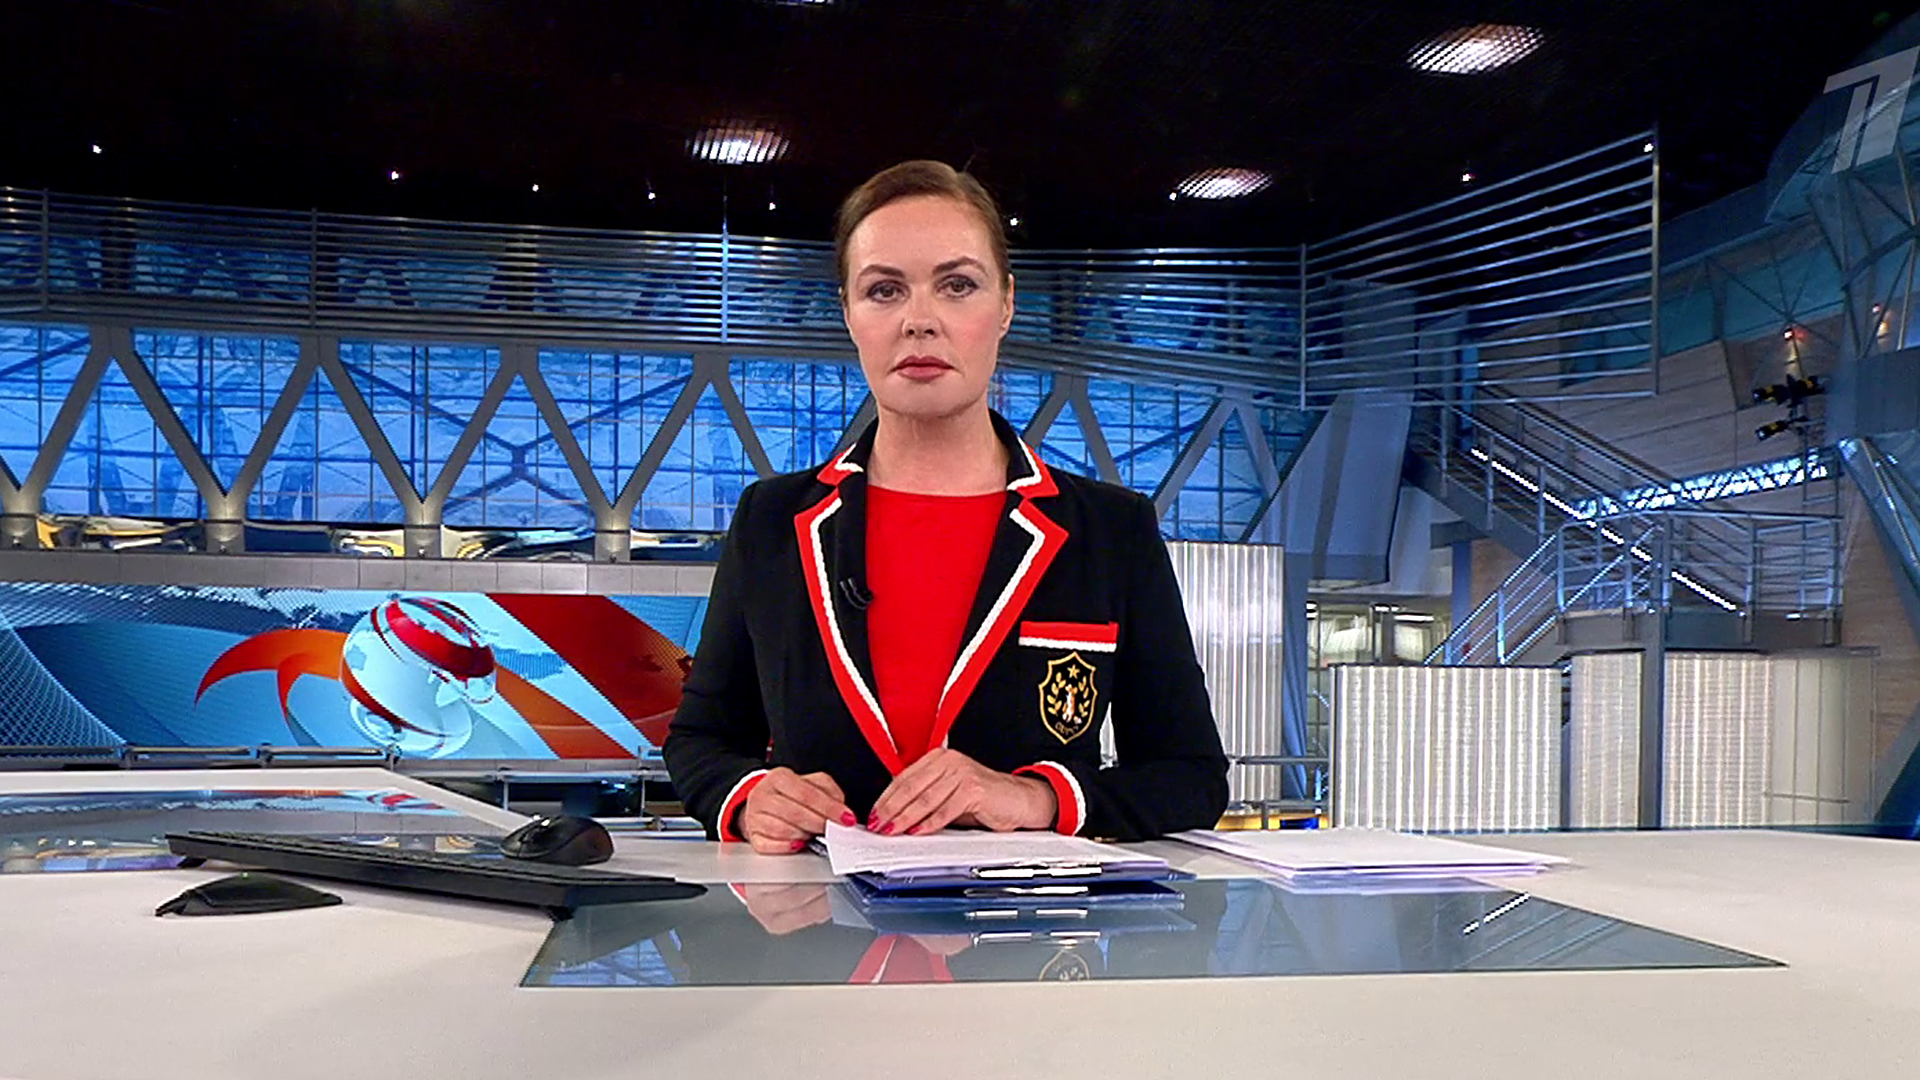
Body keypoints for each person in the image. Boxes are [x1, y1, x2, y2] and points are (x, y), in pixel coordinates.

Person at [662, 160, 1227, 853]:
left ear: (1006, 305)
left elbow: (1191, 774)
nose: (919, 321)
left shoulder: (1110, 530)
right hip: (818, 915)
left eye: (957, 286)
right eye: (884, 290)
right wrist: (749, 797)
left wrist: (1036, 798)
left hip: (1031, 918)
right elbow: (702, 740)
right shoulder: (771, 520)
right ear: (848, 314)